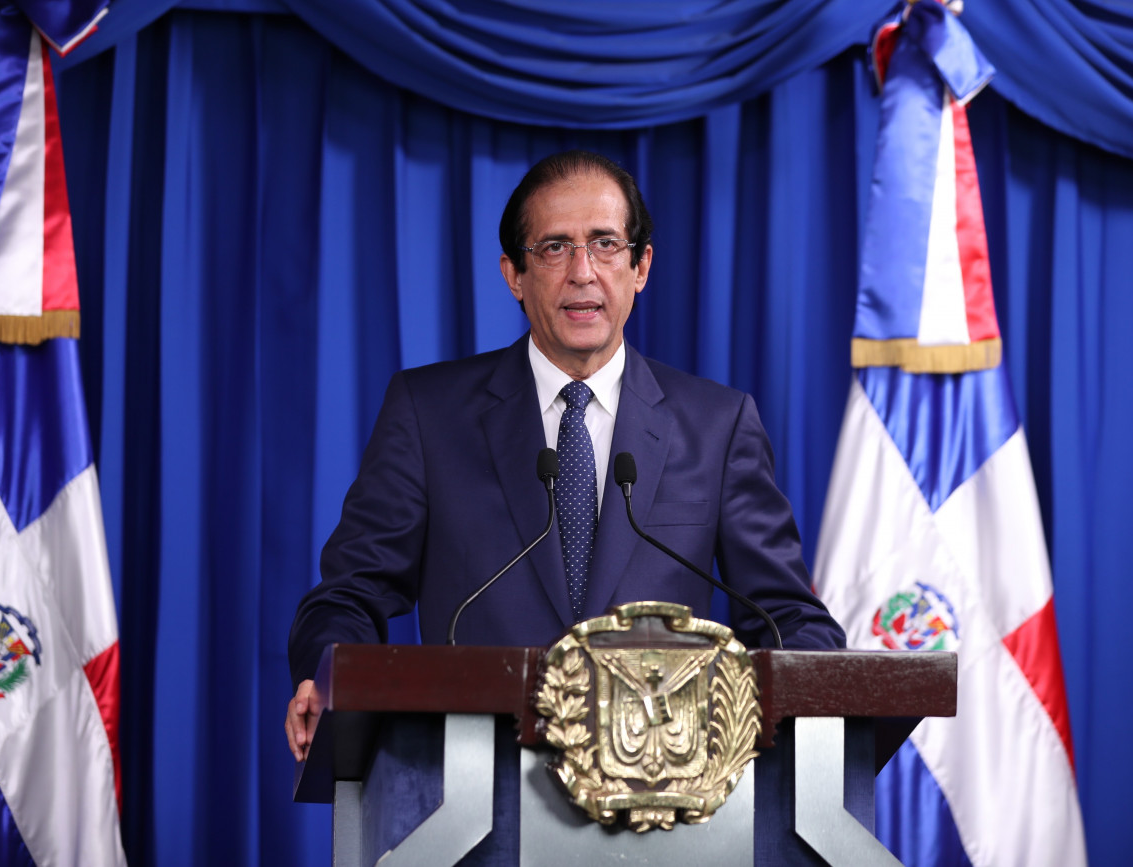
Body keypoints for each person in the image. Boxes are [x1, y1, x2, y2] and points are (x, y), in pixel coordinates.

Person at [285, 150, 844, 761]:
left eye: (605, 244)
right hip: (473, 782)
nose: (583, 272)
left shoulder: (718, 425)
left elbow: (786, 614)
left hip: (665, 787)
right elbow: (350, 592)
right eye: (555, 248)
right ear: (514, 276)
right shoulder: (429, 415)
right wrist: (325, 673)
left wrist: (815, 685)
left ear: (640, 266)